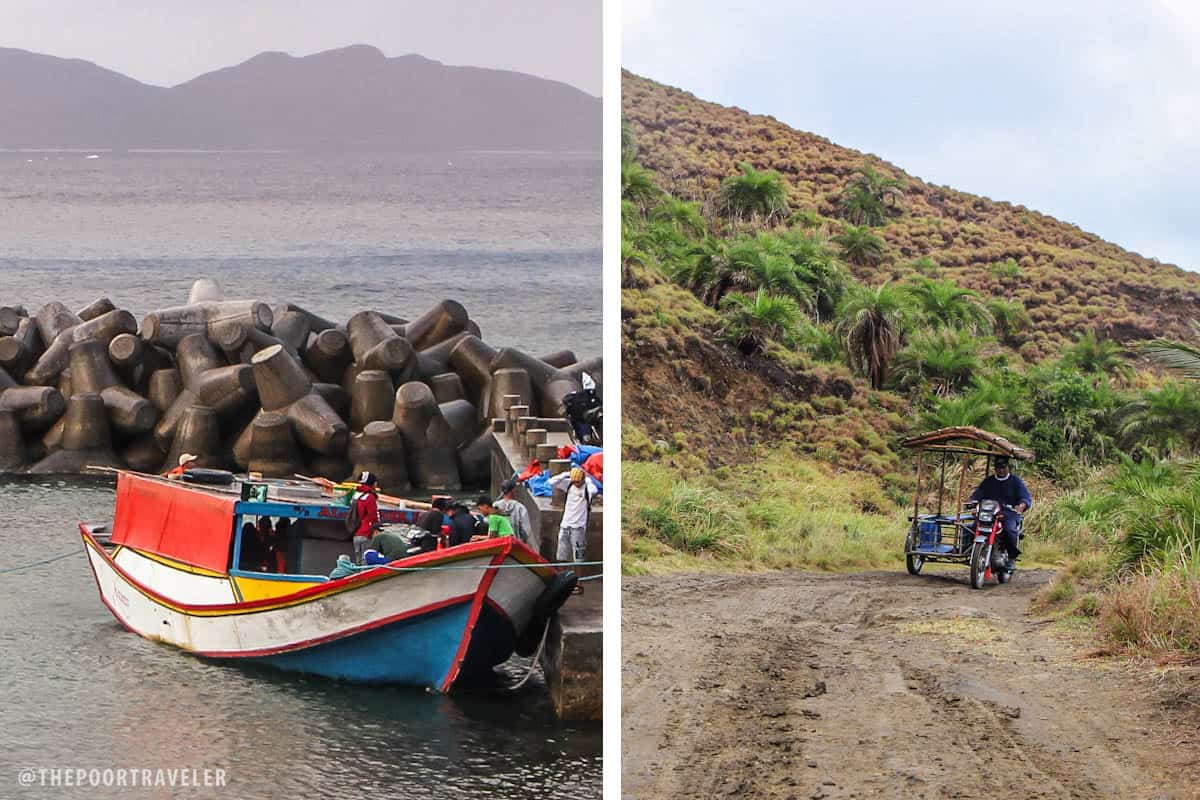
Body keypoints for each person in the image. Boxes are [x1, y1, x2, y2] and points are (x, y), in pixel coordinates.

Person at [970, 457, 1032, 568]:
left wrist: (1021, 506)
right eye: (998, 468)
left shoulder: (1016, 482)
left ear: (1008, 467)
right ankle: (975, 552)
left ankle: (1011, 558)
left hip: (1009, 513)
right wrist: (972, 502)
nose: (1001, 470)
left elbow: (1025, 498)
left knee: (1009, 530)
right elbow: (977, 494)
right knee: (973, 526)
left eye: (1003, 467)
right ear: (995, 469)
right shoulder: (988, 481)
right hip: (989, 513)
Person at [547, 467, 599, 592]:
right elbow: (551, 482)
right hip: (565, 525)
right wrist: (565, 474)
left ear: (582, 480)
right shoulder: (569, 485)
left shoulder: (587, 489)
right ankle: (561, 582)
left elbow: (595, 489)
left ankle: (578, 584)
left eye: (578, 481)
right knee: (561, 555)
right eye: (574, 481)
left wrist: (587, 479)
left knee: (578, 558)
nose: (576, 484)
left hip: (578, 528)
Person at [351, 471, 381, 565]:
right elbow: (373, 517)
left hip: (356, 534)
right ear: (371, 483)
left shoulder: (355, 495)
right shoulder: (370, 497)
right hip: (366, 534)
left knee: (358, 562)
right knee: (366, 562)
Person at [494, 478, 534, 548]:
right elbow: (526, 531)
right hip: (515, 546)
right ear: (512, 490)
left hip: (498, 546)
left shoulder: (495, 506)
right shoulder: (520, 508)